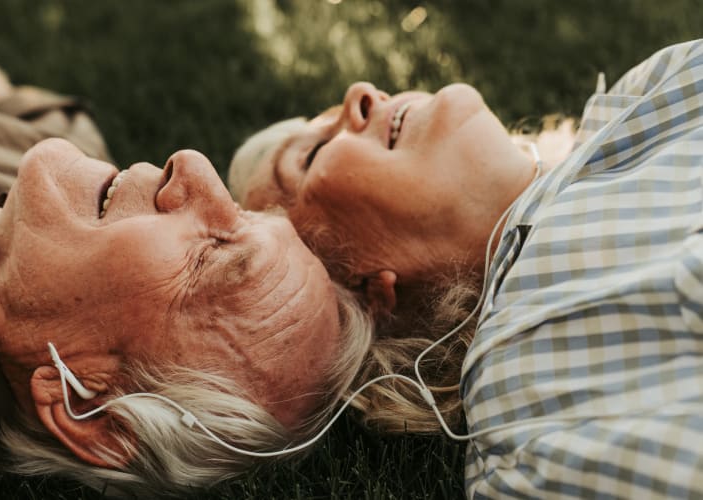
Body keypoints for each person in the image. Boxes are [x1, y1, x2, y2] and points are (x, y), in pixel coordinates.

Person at [0, 57, 371, 498]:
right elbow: (50, 117)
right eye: (243, 213)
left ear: (94, 412)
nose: (193, 165)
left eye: (210, 258)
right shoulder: (26, 163)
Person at [229, 40, 703, 497]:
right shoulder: (529, 423)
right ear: (365, 290)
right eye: (310, 154)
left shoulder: (642, 94)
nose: (361, 92)